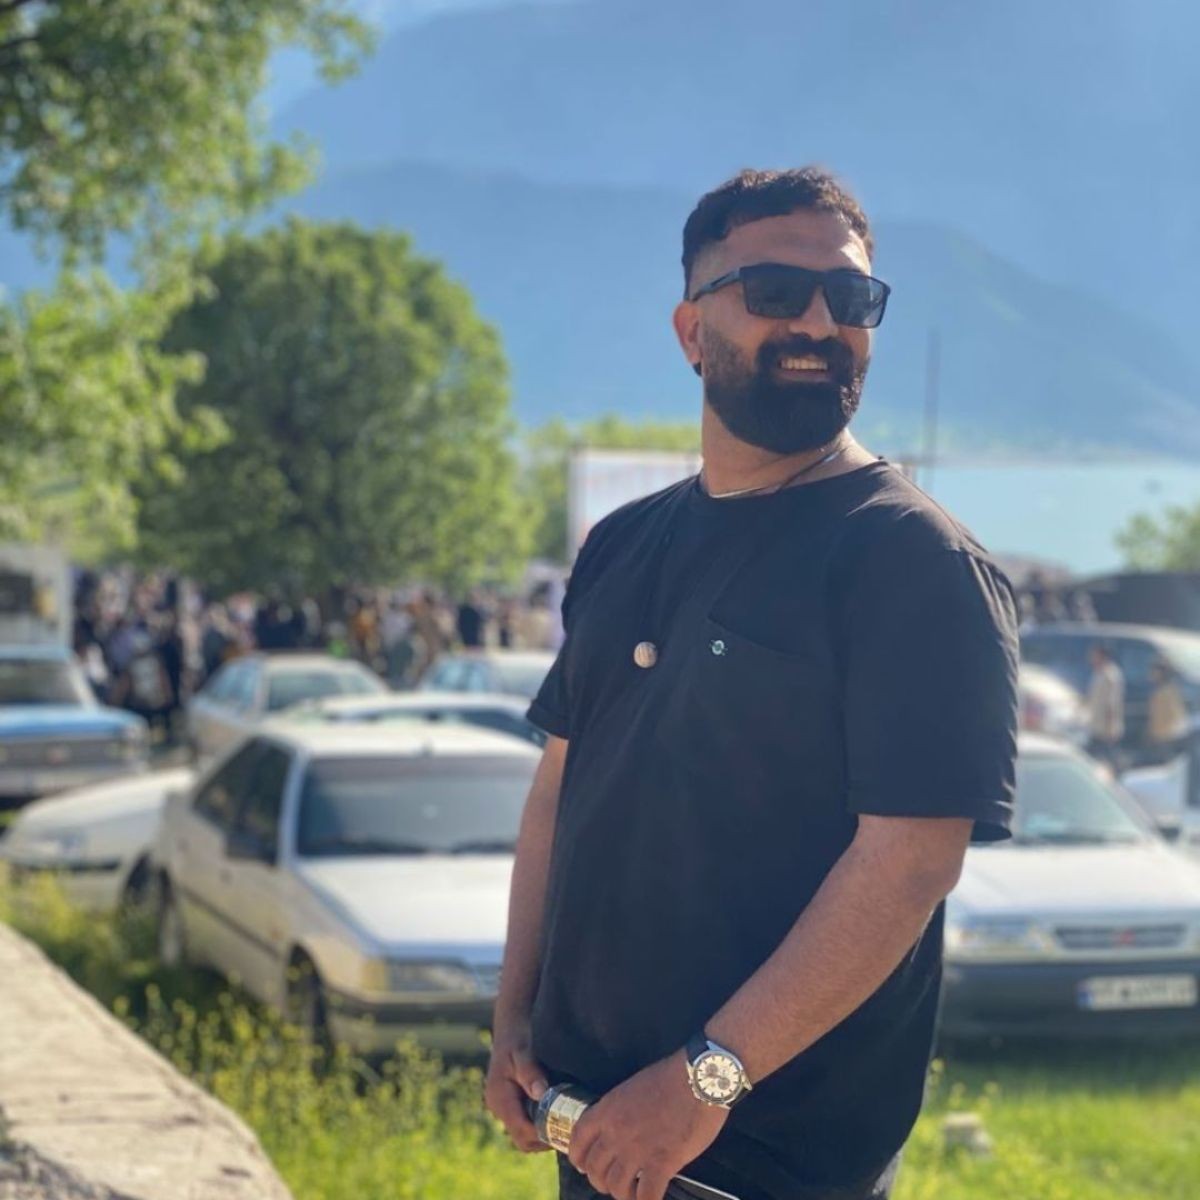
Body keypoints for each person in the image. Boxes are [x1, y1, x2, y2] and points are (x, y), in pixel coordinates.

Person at [484, 168, 1018, 1200]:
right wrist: (514, 1020)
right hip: (593, 1126)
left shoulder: (914, 563)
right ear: (692, 331)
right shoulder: (622, 544)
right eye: (775, 291)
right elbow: (559, 791)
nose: (819, 321)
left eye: (850, 298)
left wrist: (704, 1079)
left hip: (765, 1163)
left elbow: (910, 862)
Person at [1086, 642, 1125, 770]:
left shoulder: (1110, 675)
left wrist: (1110, 727)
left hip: (1106, 727)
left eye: (1095, 655)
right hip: (1096, 724)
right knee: (1098, 756)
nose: (1092, 658)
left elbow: (1111, 703)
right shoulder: (1098, 673)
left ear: (1102, 656)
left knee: (1109, 756)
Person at [1145, 658, 1188, 765]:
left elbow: (1175, 715)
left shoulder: (1169, 691)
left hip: (1168, 736)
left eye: (1154, 671)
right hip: (1160, 735)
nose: (1151, 674)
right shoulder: (1159, 690)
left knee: (1168, 762)